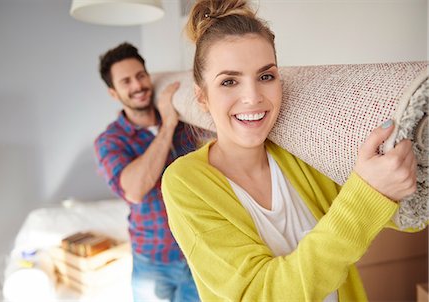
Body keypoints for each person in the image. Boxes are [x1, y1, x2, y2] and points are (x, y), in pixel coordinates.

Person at [161, 1, 424, 301]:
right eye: (229, 81)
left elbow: (398, 214)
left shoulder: (302, 153)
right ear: (202, 97)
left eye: (265, 76)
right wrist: (368, 194)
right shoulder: (185, 183)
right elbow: (264, 294)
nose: (252, 97)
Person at [94, 42, 200, 302]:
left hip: (197, 254)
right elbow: (135, 189)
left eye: (141, 76)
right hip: (154, 261)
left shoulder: (184, 123)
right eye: (126, 81)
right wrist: (167, 126)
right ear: (113, 92)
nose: (137, 86)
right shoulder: (110, 141)